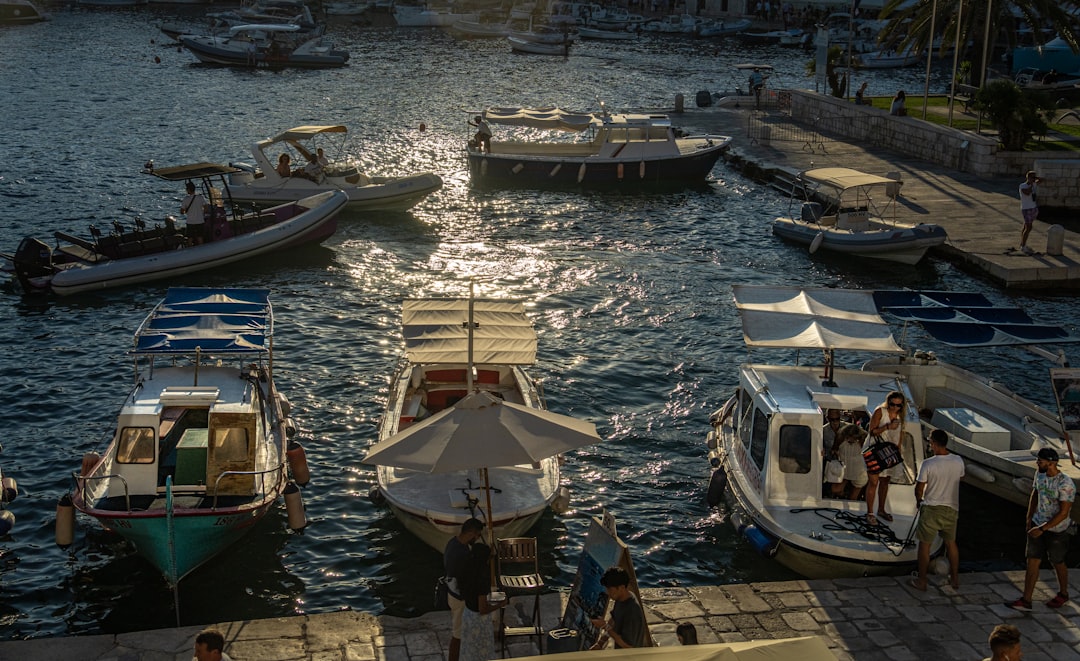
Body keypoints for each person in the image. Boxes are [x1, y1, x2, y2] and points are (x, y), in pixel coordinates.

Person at [1009, 447, 1075, 611]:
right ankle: (1026, 600)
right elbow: (1035, 493)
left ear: (1051, 463)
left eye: (1041, 460)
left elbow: (1063, 512)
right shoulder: (1040, 474)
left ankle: (1063, 593)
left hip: (1057, 530)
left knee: (1057, 561)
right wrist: (1029, 518)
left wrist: (1043, 528)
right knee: (1032, 560)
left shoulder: (1065, 484)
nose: (1037, 462)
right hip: (1037, 524)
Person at [910, 429, 964, 591]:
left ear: (933, 443)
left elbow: (919, 488)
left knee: (925, 546)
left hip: (931, 508)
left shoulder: (928, 463)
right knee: (951, 543)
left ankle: (922, 581)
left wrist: (919, 501)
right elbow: (960, 477)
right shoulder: (958, 460)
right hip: (952, 507)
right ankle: (954, 579)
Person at [864, 391, 907, 526]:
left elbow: (899, 435)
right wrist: (887, 426)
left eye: (898, 405)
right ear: (888, 402)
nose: (895, 408)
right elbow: (872, 431)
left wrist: (898, 451)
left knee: (885, 482)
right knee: (873, 482)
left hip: (890, 453)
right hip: (876, 452)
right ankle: (870, 513)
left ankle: (881, 509)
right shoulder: (880, 412)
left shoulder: (901, 416)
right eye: (892, 404)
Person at [458, 541, 506, 661]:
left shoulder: (466, 571)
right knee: (482, 653)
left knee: (469, 652)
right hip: (479, 623)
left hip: (467, 615)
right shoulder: (482, 578)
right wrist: (501, 604)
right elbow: (482, 609)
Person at [445, 518, 485, 661]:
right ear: (471, 533)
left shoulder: (452, 543)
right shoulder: (463, 555)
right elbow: (466, 581)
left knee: (461, 633)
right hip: (459, 597)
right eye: (478, 535)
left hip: (452, 592)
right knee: (458, 635)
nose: (478, 538)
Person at [589, 566, 646, 649]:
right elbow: (613, 620)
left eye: (610, 589)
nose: (608, 593)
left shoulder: (632, 611)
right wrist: (600, 643)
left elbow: (628, 646)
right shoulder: (621, 598)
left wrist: (604, 626)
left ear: (621, 588)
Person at [831, 423, 868, 501]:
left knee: (853, 498)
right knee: (835, 489)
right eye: (848, 437)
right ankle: (844, 495)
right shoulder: (840, 438)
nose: (850, 440)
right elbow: (834, 450)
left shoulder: (863, 441)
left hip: (859, 470)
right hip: (844, 469)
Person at [1018, 170, 1040, 254]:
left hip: (1033, 207)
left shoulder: (1034, 184)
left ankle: (1022, 243)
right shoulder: (1022, 186)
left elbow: (1042, 180)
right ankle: (1023, 246)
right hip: (1026, 209)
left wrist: (1036, 179)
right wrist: (1031, 184)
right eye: (1032, 177)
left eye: (1034, 177)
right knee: (1029, 227)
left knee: (1026, 226)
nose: (1034, 179)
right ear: (1028, 178)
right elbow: (1027, 193)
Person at [180, 181, 207, 246]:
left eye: (186, 189)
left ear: (189, 189)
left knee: (190, 238)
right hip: (200, 221)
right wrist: (201, 213)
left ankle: (190, 251)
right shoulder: (200, 197)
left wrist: (186, 210)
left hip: (190, 222)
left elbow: (182, 212)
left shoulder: (186, 199)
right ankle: (201, 250)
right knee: (200, 237)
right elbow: (205, 208)